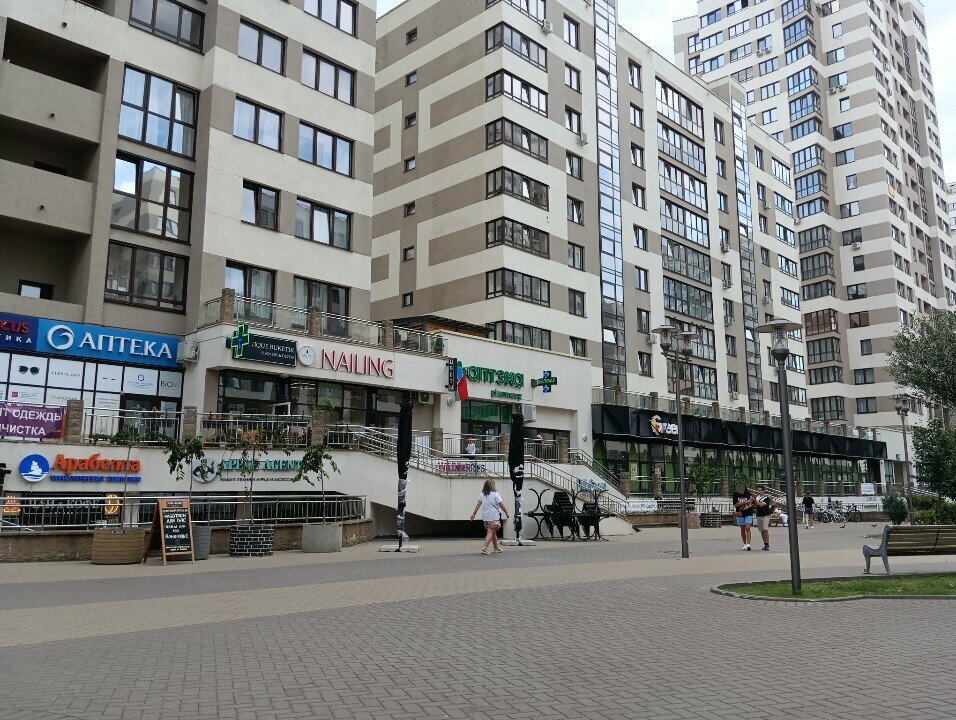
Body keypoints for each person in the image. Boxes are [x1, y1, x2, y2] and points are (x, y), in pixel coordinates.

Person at [470, 479, 509, 555]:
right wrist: (506, 513)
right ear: (493, 485)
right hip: (493, 516)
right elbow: (501, 505)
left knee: (493, 532)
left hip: (485, 517)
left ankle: (496, 548)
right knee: (490, 532)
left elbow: (478, 505)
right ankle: (484, 548)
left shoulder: (482, 494)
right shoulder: (495, 494)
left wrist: (474, 514)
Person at [732, 483, 755, 551]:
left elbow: (753, 502)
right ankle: (744, 544)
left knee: (747, 527)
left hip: (748, 513)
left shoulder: (748, 494)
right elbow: (735, 505)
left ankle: (748, 544)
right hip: (740, 513)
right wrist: (744, 502)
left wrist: (749, 505)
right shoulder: (735, 494)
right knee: (742, 529)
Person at [753, 484, 773, 551]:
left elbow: (761, 505)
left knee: (765, 529)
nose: (759, 492)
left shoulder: (766, 498)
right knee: (761, 530)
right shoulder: (757, 498)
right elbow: (753, 505)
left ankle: (767, 545)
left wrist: (754, 501)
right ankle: (765, 544)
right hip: (759, 515)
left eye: (760, 490)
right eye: (758, 490)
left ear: (764, 491)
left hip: (765, 515)